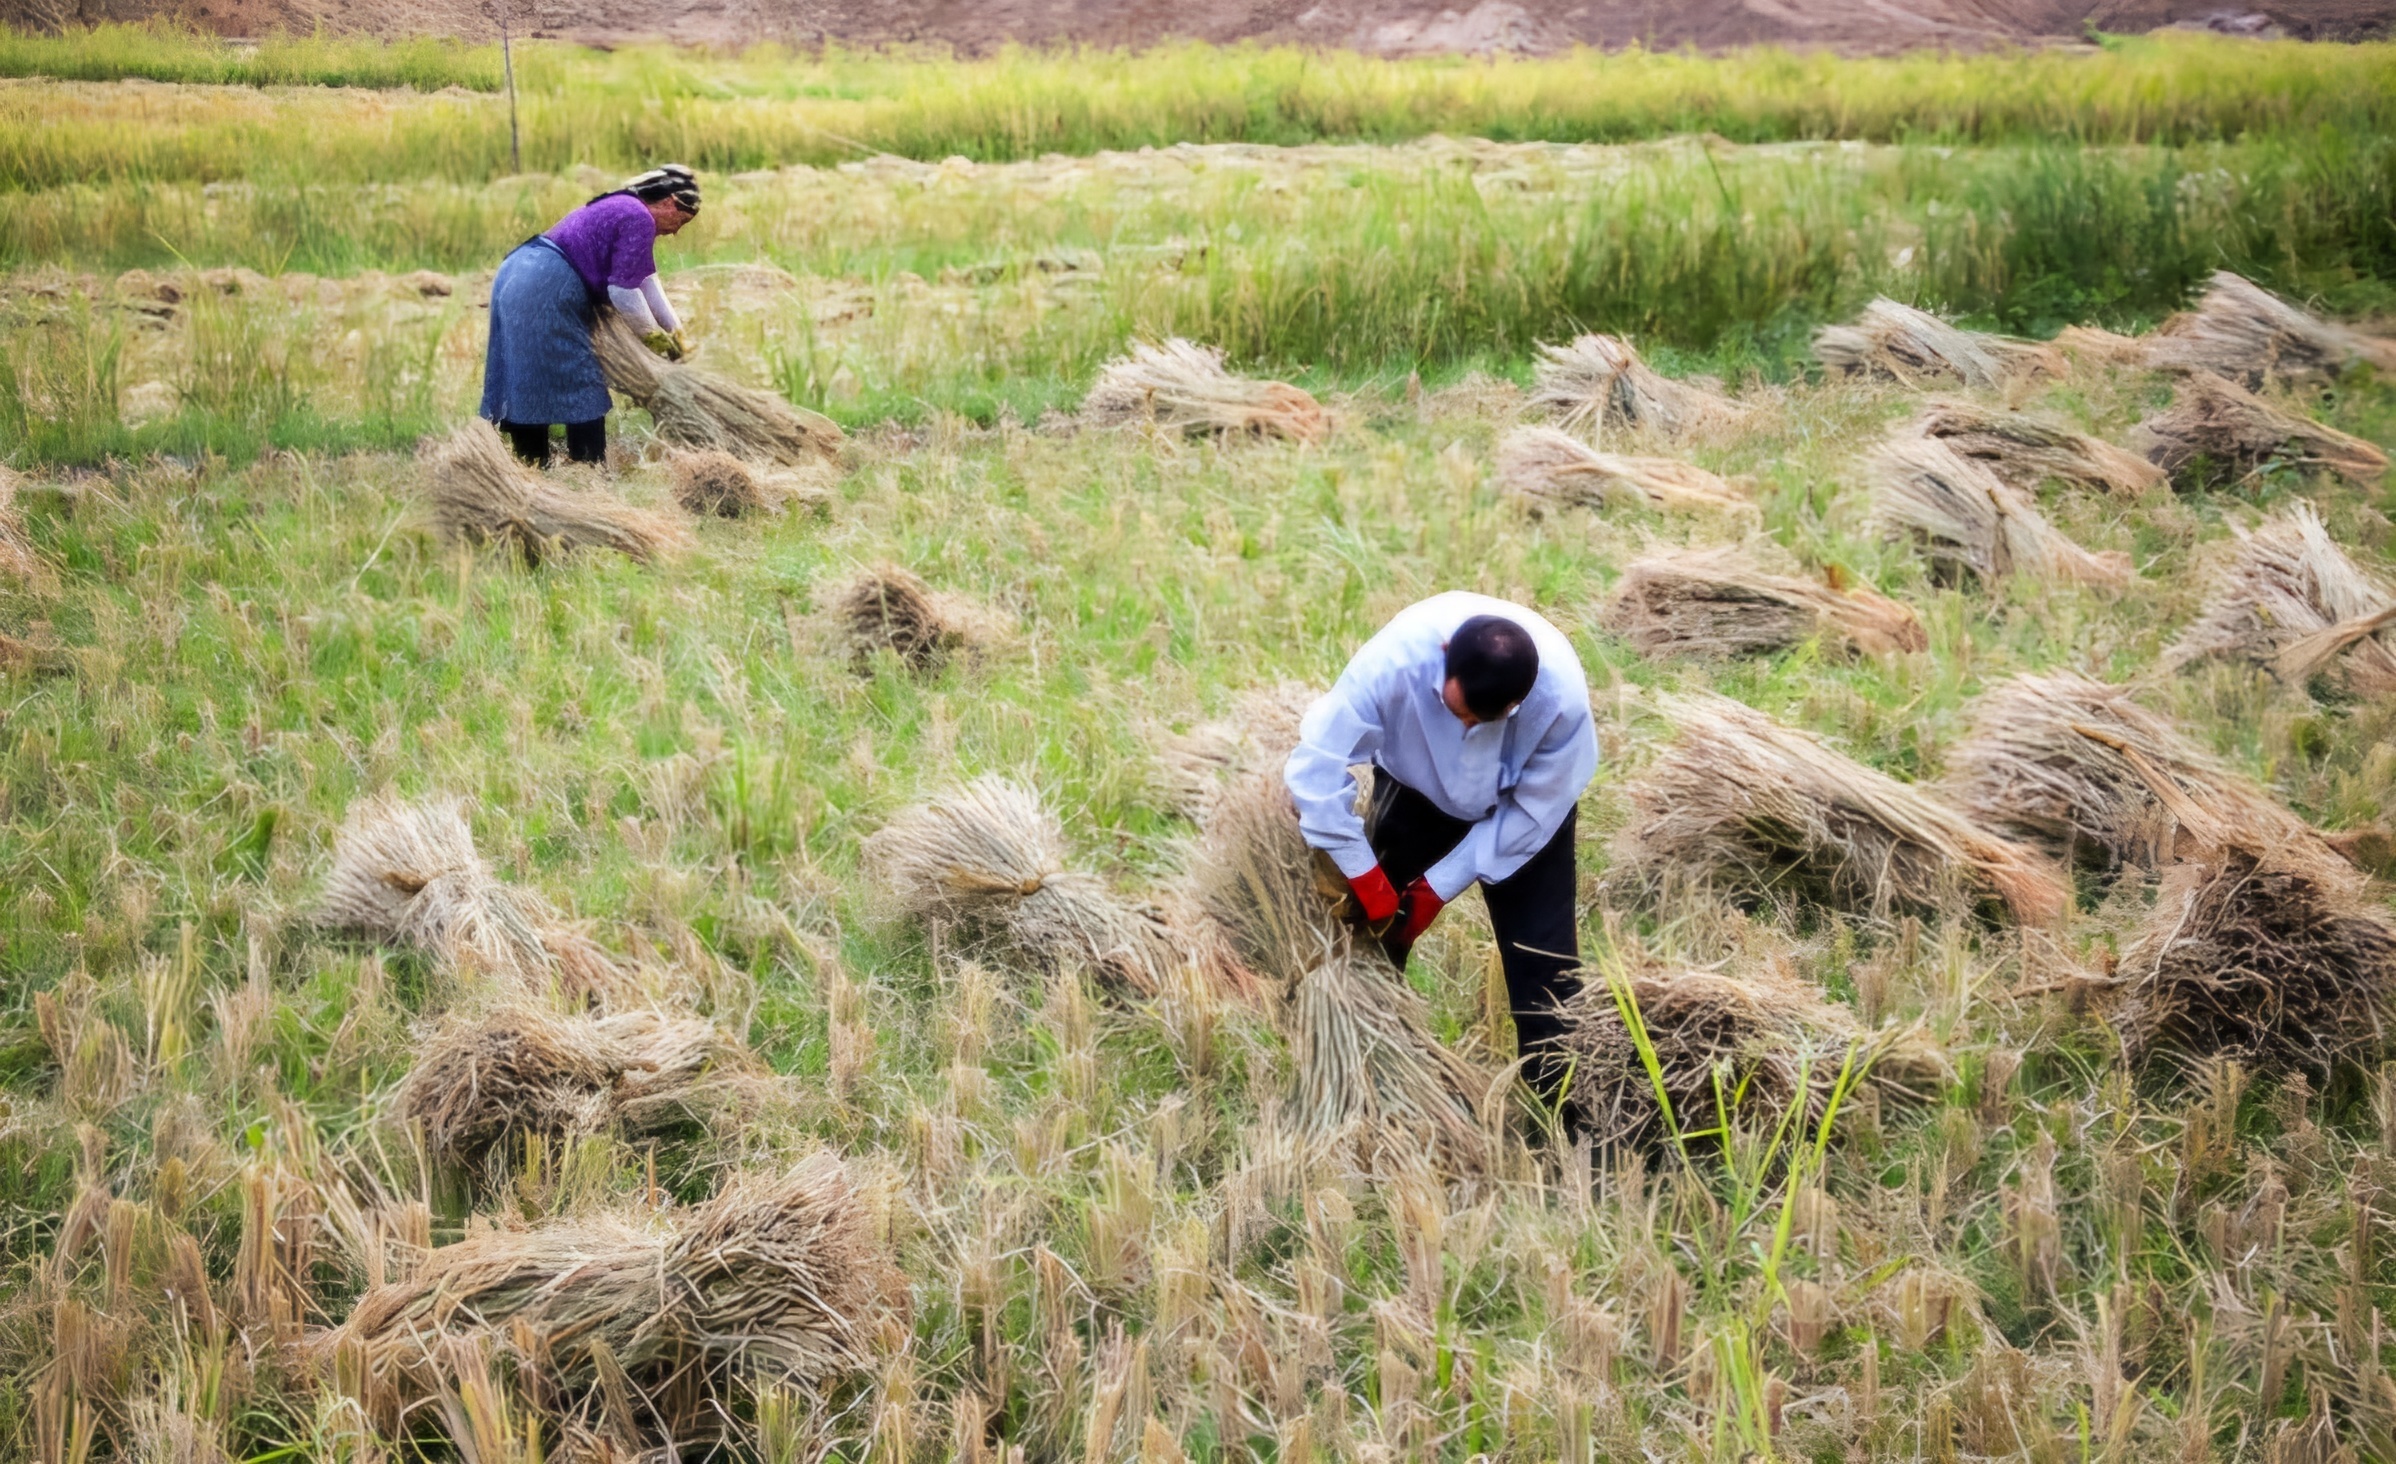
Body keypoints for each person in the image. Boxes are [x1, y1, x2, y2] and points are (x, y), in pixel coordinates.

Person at [1285, 592, 1597, 1110]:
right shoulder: (1393, 663)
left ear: (1517, 704)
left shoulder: (1561, 698)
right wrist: (1364, 874)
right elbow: (1315, 772)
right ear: (1446, 653)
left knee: (1546, 971)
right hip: (1414, 791)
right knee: (1367, 944)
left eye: (1483, 720)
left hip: (1524, 817)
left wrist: (1438, 886)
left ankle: (1568, 1109)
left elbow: (1535, 813)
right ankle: (1366, 1083)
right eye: (1457, 711)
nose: (1467, 728)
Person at [480, 164, 702, 468]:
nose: (676, 231)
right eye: (682, 221)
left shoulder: (625, 207)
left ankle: (532, 467)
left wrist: (678, 337)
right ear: (669, 203)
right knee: (580, 377)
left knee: (524, 371)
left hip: (519, 272)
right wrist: (659, 345)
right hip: (546, 283)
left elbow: (648, 284)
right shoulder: (639, 217)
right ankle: (586, 469)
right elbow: (624, 294)